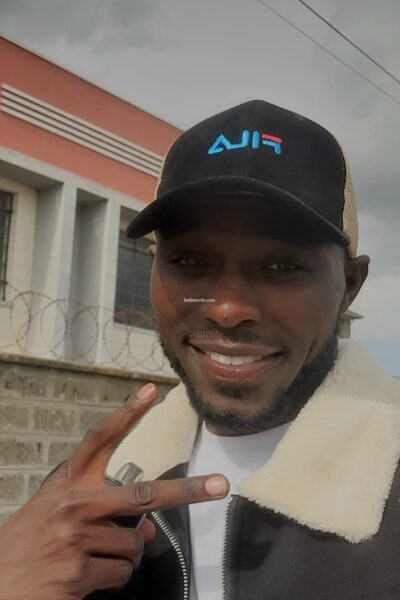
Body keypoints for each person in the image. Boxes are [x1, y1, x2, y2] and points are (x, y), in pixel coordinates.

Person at [1, 99, 399, 600]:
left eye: (282, 268)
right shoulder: (96, 486)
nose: (227, 310)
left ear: (349, 286)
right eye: (189, 262)